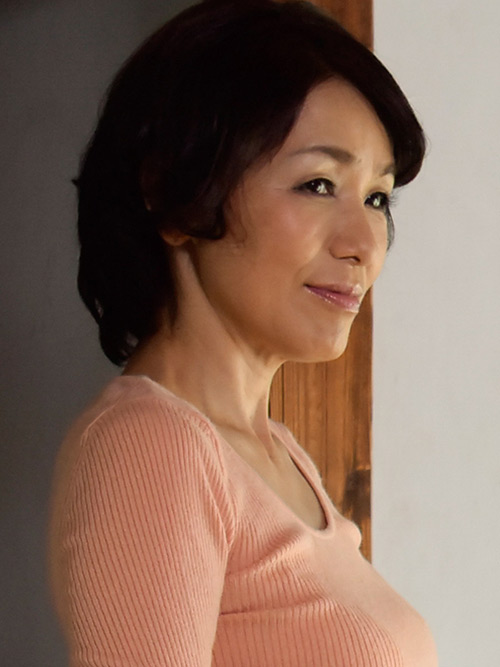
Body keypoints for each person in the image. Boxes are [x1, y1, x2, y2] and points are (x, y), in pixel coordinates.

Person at [48, 0, 438, 664]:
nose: (364, 244)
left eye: (376, 197)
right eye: (318, 184)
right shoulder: (153, 444)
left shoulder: (280, 456)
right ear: (175, 196)